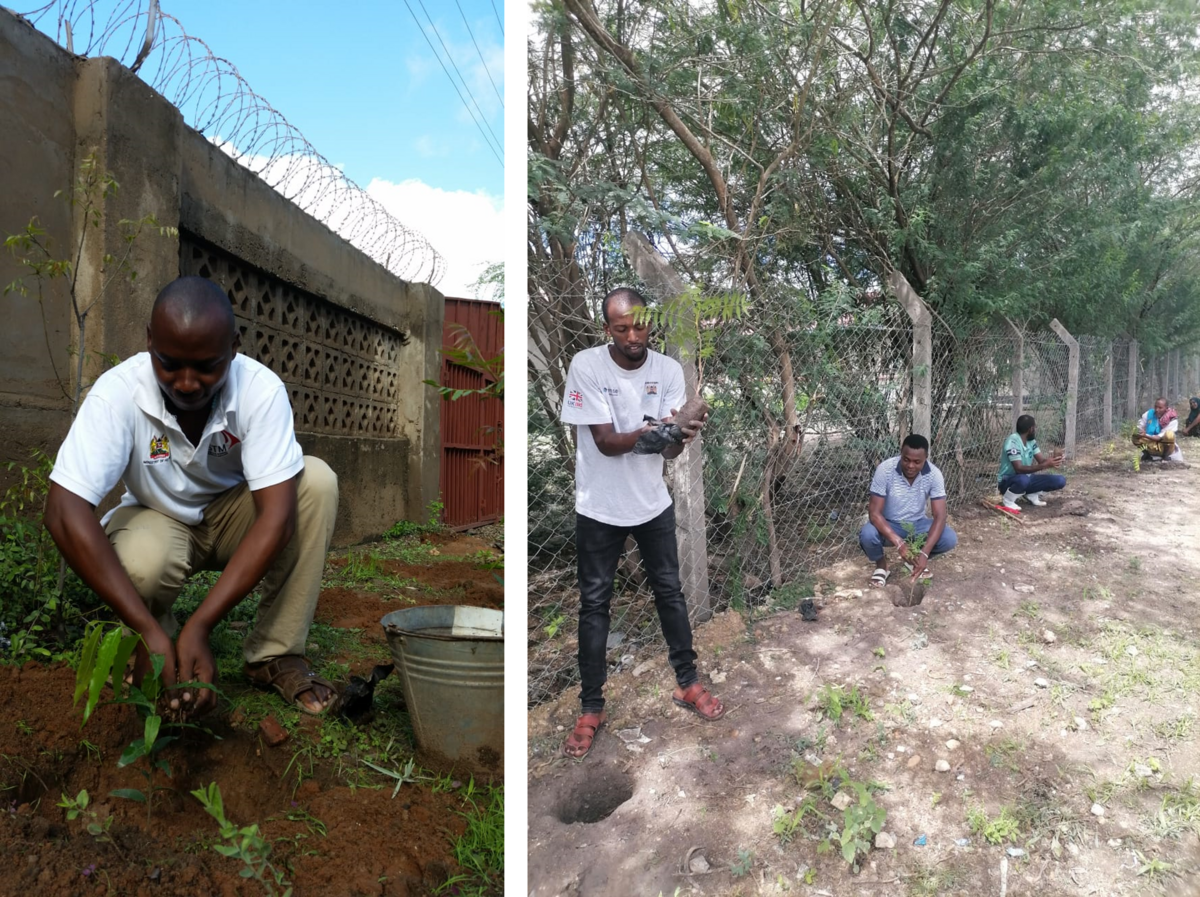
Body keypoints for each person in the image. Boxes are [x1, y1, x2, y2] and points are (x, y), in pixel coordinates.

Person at [43, 276, 340, 717]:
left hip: (235, 518)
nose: (186, 383)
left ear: (235, 347)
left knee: (315, 482)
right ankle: (156, 649)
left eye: (206, 366)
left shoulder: (260, 391)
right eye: (169, 363)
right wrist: (146, 629)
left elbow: (275, 518)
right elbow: (63, 511)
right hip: (155, 518)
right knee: (142, 560)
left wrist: (202, 624)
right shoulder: (118, 393)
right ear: (149, 342)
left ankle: (274, 655)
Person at [558, 287, 722, 761]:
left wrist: (681, 433)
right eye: (621, 328)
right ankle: (592, 708)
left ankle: (687, 684)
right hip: (599, 507)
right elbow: (607, 442)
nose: (633, 336)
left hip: (652, 504)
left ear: (652, 322)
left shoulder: (668, 370)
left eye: (641, 326)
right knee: (594, 606)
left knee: (669, 592)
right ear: (606, 329)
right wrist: (658, 433)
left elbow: (669, 451)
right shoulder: (587, 366)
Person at [860, 434, 957, 589]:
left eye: (917, 462)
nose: (910, 465)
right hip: (889, 524)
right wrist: (899, 543)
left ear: (926, 458)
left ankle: (915, 560)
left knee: (949, 538)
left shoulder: (934, 474)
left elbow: (940, 516)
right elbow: (874, 514)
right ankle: (882, 566)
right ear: (901, 454)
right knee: (868, 534)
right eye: (906, 459)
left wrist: (925, 553)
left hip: (918, 524)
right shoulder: (885, 470)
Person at [995, 414, 1066, 515]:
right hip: (1008, 481)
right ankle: (1008, 500)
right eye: (1035, 427)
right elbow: (1018, 469)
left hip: (1026, 478)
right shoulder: (1013, 441)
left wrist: (1054, 460)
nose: (1035, 429)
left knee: (1060, 480)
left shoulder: (1031, 441)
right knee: (1023, 479)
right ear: (1030, 429)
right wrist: (1044, 465)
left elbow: (1041, 461)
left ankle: (1031, 493)